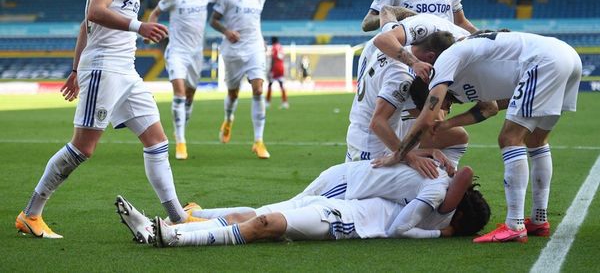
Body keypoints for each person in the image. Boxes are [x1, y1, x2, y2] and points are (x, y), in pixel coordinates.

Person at [15, 0, 200, 239]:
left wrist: (74, 70)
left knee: (157, 142)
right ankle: (31, 214)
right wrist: (139, 26)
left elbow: (86, 26)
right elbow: (94, 13)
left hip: (124, 71)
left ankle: (177, 216)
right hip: (104, 68)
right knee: (83, 148)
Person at [376, 31, 582, 243]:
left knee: (509, 139)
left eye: (443, 106)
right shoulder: (467, 71)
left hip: (543, 61)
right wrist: (448, 124)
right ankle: (539, 221)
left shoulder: (444, 63)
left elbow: (427, 117)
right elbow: (489, 108)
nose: (445, 109)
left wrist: (399, 154)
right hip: (566, 56)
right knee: (536, 141)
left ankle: (514, 226)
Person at [116, 163, 490, 246]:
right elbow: (464, 173)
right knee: (255, 216)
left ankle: (174, 238)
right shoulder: (436, 206)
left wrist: (447, 231)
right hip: (342, 202)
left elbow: (397, 230)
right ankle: (165, 228)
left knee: (266, 223)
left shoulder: (436, 216)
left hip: (347, 220)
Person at [347, 29, 458, 162]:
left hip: (359, 132)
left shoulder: (392, 46)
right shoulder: (401, 76)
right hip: (372, 146)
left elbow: (386, 13)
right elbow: (378, 123)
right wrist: (410, 158)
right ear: (430, 57)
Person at [146, 0, 219, 160]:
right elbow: (156, 12)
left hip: (196, 53)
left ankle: (182, 123)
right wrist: (150, 30)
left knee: (190, 94)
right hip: (177, 51)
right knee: (179, 92)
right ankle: (180, 142)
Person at [209, 0, 270, 159]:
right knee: (233, 93)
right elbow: (213, 20)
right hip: (233, 50)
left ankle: (259, 141)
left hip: (254, 48)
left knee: (259, 89)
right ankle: (228, 119)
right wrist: (227, 32)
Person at [266, 36, 289, 109]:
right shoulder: (281, 47)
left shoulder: (274, 47)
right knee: (281, 85)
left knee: (270, 84)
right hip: (281, 67)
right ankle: (285, 102)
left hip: (275, 67)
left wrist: (270, 70)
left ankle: (267, 102)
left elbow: (273, 59)